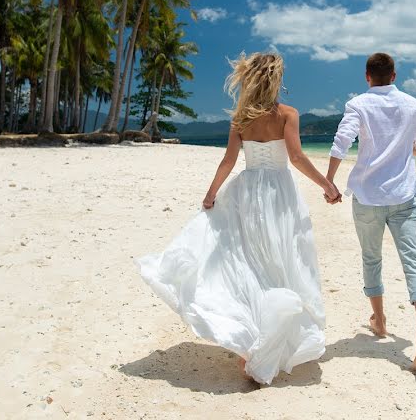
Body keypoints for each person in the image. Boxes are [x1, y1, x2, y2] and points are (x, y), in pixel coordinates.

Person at [137, 52, 339, 385]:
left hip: (247, 191)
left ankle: (252, 346)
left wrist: (211, 193)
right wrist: (327, 185)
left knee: (248, 262)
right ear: (275, 80)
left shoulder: (240, 119)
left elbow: (229, 161)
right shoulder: (288, 114)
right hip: (280, 194)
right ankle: (269, 344)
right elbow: (297, 157)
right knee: (282, 261)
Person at [325, 52, 416, 372]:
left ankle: (380, 319)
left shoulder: (357, 104)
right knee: (413, 261)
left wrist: (329, 181)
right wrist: (406, 147)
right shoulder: (414, 105)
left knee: (371, 258)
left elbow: (341, 142)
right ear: (395, 74)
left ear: (367, 76)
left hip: (369, 196)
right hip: (403, 196)